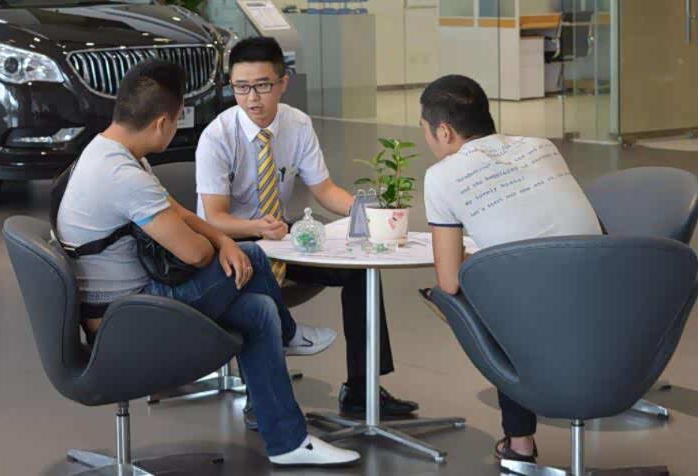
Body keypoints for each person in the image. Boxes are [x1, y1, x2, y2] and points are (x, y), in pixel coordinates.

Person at [56, 59, 359, 467]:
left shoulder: (111, 150)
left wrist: (222, 238)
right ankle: (289, 337)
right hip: (126, 317)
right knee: (254, 254)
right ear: (163, 123)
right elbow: (194, 254)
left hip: (129, 303)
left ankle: (288, 443)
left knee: (259, 310)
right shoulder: (121, 174)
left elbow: (177, 211)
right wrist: (224, 246)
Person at [195, 36, 419, 428]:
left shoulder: (297, 124)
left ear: (283, 82)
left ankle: (363, 388)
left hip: (280, 238)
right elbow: (213, 217)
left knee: (360, 272)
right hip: (232, 244)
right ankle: (263, 398)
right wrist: (255, 228)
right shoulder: (218, 136)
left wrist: (369, 210)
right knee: (253, 269)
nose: (252, 98)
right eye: (241, 87)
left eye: (262, 85)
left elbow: (325, 190)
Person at [419, 74, 602, 465]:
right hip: (609, 298)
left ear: (444, 131)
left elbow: (449, 281)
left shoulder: (440, 176)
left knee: (486, 298)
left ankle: (520, 444)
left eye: (426, 131)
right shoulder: (542, 145)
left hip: (537, 317)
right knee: (514, 285)